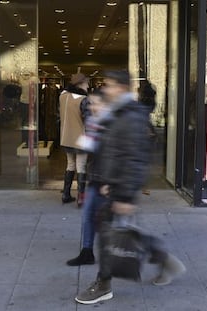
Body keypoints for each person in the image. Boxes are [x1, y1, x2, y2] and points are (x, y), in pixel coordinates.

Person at [75, 70, 186, 305]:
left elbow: (136, 158)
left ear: (123, 88)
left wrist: (124, 195)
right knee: (122, 234)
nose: (107, 90)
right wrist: (104, 181)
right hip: (112, 186)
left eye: (111, 85)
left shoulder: (131, 116)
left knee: (110, 236)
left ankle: (103, 284)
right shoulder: (116, 113)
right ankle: (164, 260)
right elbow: (110, 151)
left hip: (122, 190)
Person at [66, 88, 112, 266]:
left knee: (113, 224)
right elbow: (92, 148)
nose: (92, 107)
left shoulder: (112, 123)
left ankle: (156, 254)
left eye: (96, 103)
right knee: (88, 215)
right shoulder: (94, 122)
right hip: (96, 178)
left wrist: (110, 182)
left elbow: (115, 155)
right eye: (90, 103)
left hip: (107, 180)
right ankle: (87, 251)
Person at [59, 73, 91, 207]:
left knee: (70, 164)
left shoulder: (62, 96)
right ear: (80, 84)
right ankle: (81, 198)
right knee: (81, 167)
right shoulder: (83, 100)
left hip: (66, 137)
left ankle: (66, 194)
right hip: (81, 139)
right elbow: (88, 120)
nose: (88, 86)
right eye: (86, 83)